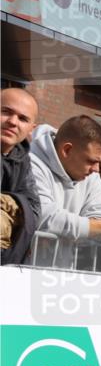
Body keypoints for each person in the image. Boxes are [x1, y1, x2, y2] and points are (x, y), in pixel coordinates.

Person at [30, 116, 101, 264]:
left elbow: (100, 217)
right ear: (66, 150)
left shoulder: (91, 175)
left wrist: (93, 228)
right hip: (19, 273)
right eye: (91, 161)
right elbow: (43, 217)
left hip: (60, 274)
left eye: (99, 162)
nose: (96, 169)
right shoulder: (31, 163)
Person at [1, 87, 41, 264]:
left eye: (23, 118)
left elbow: (34, 211)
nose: (13, 122)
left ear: (31, 129)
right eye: (5, 112)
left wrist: (6, 205)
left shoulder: (22, 160)